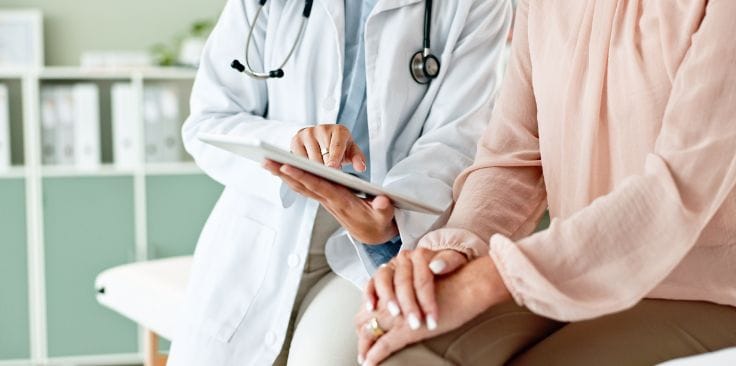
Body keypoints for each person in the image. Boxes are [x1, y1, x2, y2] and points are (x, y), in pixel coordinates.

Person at [355, 0, 736, 365]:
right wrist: (447, 254)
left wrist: (484, 281)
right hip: (567, 270)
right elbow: (513, 154)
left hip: (702, 292)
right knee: (405, 354)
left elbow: (675, 195)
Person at [167, 0, 513, 365]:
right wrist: (292, 142)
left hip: (381, 242)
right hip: (267, 227)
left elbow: (455, 139)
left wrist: (389, 220)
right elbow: (209, 120)